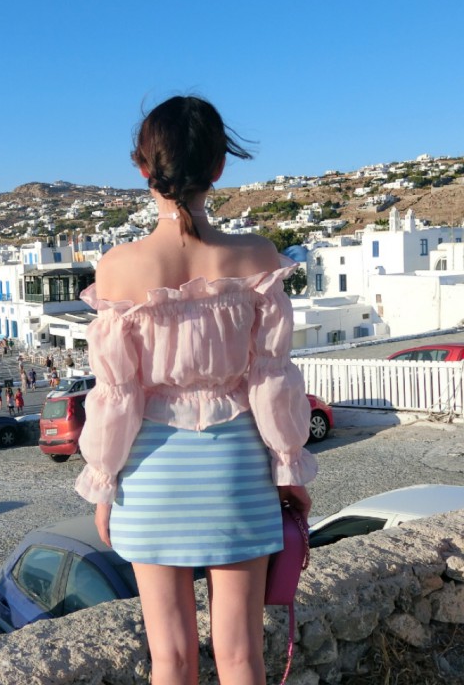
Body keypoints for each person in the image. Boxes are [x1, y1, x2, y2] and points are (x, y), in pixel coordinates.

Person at [74, 96, 317, 685]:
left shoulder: (117, 266)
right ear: (218, 168)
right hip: (238, 471)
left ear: (143, 168)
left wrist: (103, 485)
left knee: (171, 658)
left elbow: (116, 396)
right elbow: (272, 379)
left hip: (150, 476)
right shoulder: (256, 256)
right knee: (242, 655)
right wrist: (289, 467)